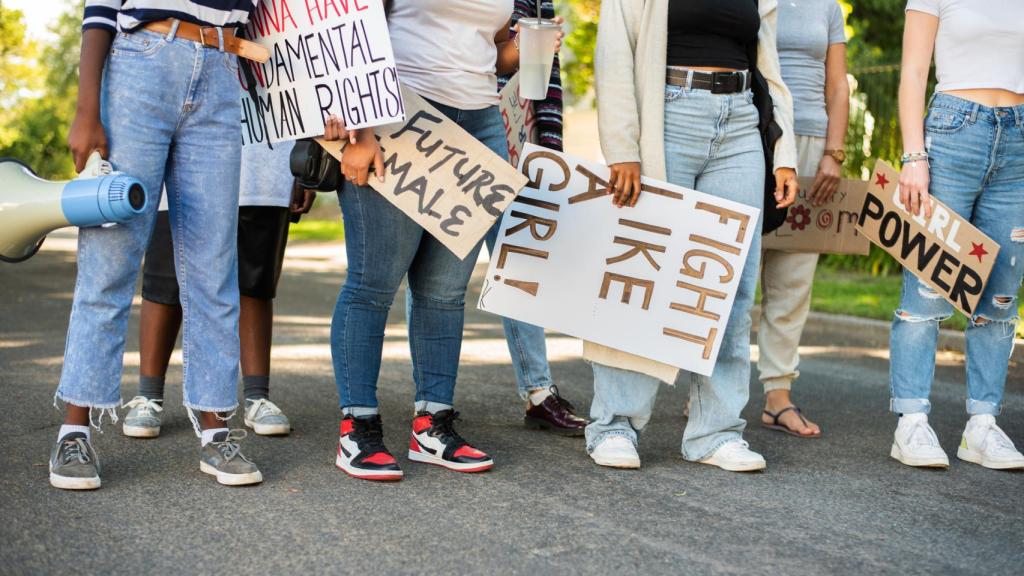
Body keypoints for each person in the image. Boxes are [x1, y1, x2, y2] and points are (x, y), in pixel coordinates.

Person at [325, 0, 564, 481]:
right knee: (373, 284)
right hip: (398, 114)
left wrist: (522, 49)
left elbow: (490, 53)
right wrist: (360, 128)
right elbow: (349, 28)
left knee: (444, 291)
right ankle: (358, 428)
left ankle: (432, 424)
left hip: (478, 121)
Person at [51, 0, 266, 490]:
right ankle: (74, 430)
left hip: (221, 69)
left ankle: (215, 432)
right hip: (142, 62)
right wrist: (88, 109)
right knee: (112, 255)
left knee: (214, 263)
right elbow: (101, 6)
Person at [584, 0, 798, 472]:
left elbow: (770, 69)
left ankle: (715, 431)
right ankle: (615, 422)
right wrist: (623, 147)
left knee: (731, 284)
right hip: (668, 116)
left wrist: (784, 154)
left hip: (740, 122)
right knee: (642, 273)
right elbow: (614, 53)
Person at [889, 0, 1024, 470]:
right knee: (927, 288)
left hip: (1019, 142)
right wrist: (913, 156)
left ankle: (982, 427)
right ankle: (910, 421)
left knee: (1002, 297)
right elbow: (912, 72)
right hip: (953, 133)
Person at [122, 142, 315, 439]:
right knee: (166, 277)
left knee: (255, 278)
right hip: (183, 157)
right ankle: (149, 395)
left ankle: (257, 396)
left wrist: (305, 165)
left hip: (264, 160)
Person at [487, 0, 588, 436]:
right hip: (454, 132)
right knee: (439, 269)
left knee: (520, 262)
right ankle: (432, 396)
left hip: (516, 139)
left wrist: (549, 148)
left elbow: (547, 70)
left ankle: (539, 393)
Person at [757, 0, 849, 438]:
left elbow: (837, 85)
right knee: (735, 272)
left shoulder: (829, 7)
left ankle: (778, 398)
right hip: (756, 132)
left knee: (794, 278)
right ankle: (709, 388)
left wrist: (834, 151)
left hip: (812, 140)